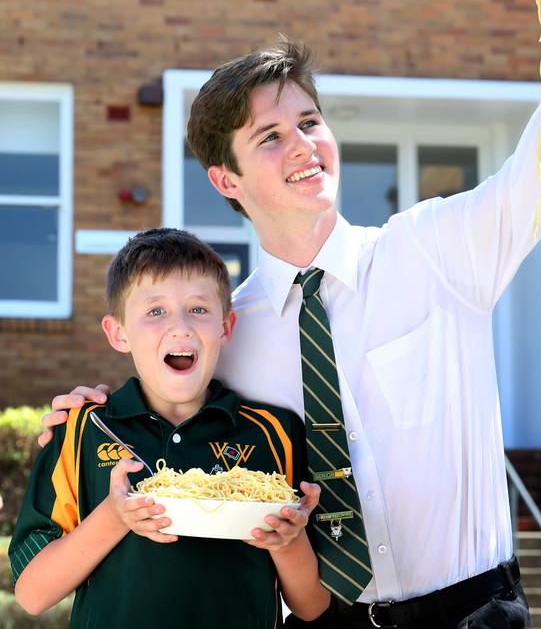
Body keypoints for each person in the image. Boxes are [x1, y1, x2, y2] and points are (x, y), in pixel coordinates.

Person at [42, 0, 541, 628]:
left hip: (472, 613)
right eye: (268, 137)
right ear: (225, 180)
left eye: (308, 122)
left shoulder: (436, 251)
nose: (301, 144)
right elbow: (166, 423)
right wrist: (88, 410)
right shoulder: (228, 335)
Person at [12, 228, 329, 628]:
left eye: (198, 309)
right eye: (155, 311)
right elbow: (32, 594)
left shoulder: (273, 432)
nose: (179, 327)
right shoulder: (83, 429)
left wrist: (288, 540)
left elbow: (311, 605)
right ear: (118, 333)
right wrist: (115, 516)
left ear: (226, 327)